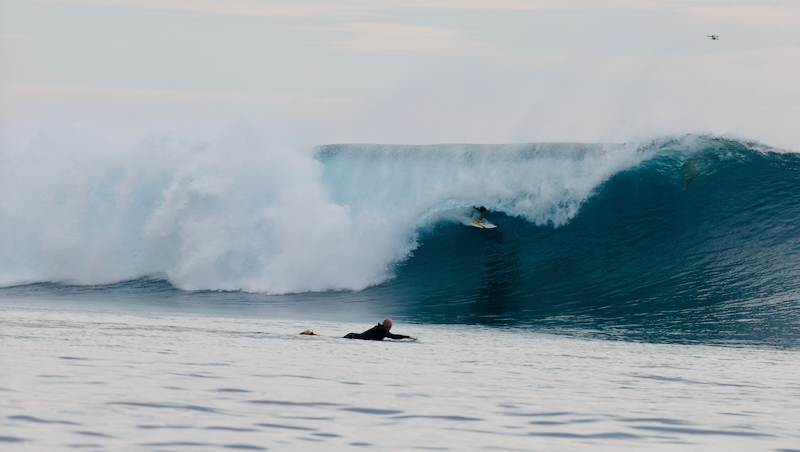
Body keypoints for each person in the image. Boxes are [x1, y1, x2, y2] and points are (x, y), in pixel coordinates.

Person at [300, 318, 415, 340]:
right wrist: (407, 336)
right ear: (389, 326)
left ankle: (311, 334)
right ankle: (310, 334)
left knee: (331, 338)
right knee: (329, 338)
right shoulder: (382, 330)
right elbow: (393, 336)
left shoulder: (380, 329)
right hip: (353, 338)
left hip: (353, 336)